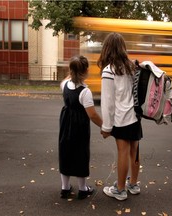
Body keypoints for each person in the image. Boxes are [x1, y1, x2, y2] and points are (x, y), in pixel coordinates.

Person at [98, 32, 143, 201]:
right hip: (135, 115)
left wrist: (106, 127)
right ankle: (134, 184)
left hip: (121, 117)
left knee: (122, 152)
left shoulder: (109, 71)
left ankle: (120, 189)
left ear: (107, 49)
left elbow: (108, 102)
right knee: (135, 151)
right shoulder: (132, 67)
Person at [58, 55, 102, 200]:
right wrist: (105, 127)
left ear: (70, 70)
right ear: (86, 71)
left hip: (65, 122)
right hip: (80, 125)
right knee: (81, 153)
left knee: (65, 150)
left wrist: (72, 72)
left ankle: (65, 188)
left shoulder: (64, 85)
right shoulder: (85, 92)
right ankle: (83, 189)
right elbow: (92, 115)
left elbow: (67, 79)